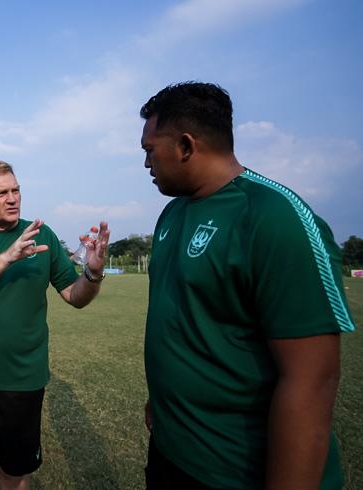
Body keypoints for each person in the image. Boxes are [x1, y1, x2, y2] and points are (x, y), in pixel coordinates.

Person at [140, 82, 355, 489]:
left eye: (150, 150)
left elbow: (311, 383)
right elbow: (187, 323)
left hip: (235, 471)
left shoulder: (275, 218)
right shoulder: (172, 214)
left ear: (185, 145)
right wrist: (165, 398)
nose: (146, 162)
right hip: (172, 450)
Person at [0, 160, 110, 490]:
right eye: (1, 193)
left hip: (21, 379)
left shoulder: (42, 235)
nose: (12, 198)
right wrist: (8, 257)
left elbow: (74, 296)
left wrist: (92, 272)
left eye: (16, 190)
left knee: (14, 473)